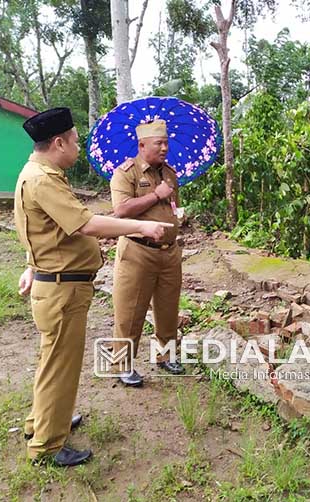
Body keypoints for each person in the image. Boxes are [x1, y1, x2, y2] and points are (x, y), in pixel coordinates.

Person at [14, 107, 172, 467]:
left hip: (55, 281)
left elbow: (42, 229)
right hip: (61, 289)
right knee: (60, 366)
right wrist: (140, 228)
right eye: (74, 141)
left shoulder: (41, 173)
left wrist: (31, 264)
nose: (78, 148)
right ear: (58, 142)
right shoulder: (42, 179)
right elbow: (85, 224)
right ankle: (47, 446)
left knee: (53, 363)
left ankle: (43, 422)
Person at [109, 119, 184, 387]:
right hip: (138, 252)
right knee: (130, 310)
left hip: (170, 253)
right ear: (142, 145)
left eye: (166, 143)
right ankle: (122, 363)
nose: (165, 148)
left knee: (168, 308)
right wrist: (156, 195)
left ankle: (164, 356)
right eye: (158, 144)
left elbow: (174, 205)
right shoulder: (125, 173)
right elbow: (121, 211)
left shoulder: (170, 173)